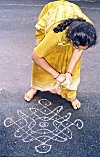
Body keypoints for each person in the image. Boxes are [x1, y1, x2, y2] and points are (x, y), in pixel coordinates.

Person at [24, 0, 97, 109]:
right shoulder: (56, 34)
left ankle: (71, 96)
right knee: (46, 60)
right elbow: (36, 56)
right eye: (77, 46)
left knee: (73, 67)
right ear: (71, 40)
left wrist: (68, 72)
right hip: (54, 17)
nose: (79, 49)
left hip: (71, 20)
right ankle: (36, 87)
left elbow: (78, 50)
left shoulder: (87, 31)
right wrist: (58, 76)